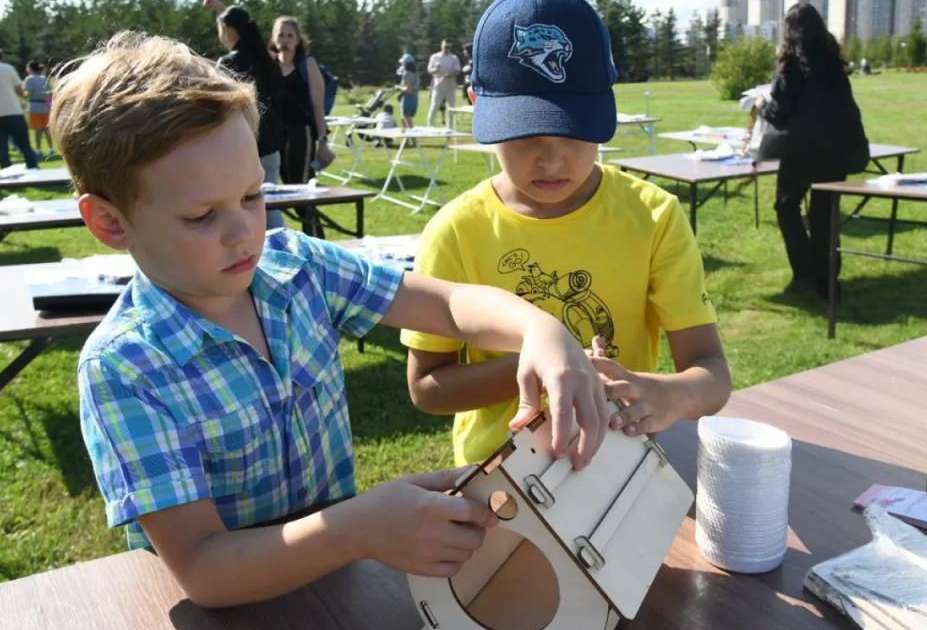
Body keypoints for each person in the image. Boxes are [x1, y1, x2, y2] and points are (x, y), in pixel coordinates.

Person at [52, 32, 609, 605]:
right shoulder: (126, 367)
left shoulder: (297, 268)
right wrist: (359, 526)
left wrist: (539, 328)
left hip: (335, 588)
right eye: (201, 216)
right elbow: (203, 570)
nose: (244, 231)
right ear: (110, 223)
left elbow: (446, 305)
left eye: (251, 196)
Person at [401, 0, 732, 467]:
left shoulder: (653, 217)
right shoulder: (456, 231)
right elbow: (426, 387)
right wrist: (548, 366)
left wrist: (666, 395)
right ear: (477, 103)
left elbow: (711, 374)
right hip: (501, 482)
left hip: (619, 470)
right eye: (525, 135)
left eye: (574, 132)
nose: (552, 161)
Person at [760, 3, 869, 300]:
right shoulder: (833, 63)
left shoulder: (792, 65)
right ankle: (827, 281)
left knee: (786, 207)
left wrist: (762, 106)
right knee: (824, 214)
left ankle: (805, 271)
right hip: (837, 149)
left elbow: (780, 112)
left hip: (803, 150)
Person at [210, 2, 287, 229]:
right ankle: (283, 250)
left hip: (239, 145)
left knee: (245, 208)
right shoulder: (268, 61)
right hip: (271, 144)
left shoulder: (228, 63)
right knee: (269, 205)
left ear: (228, 30)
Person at [270, 16, 334, 236]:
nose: (285, 40)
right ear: (273, 37)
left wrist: (323, 142)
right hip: (275, 137)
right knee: (283, 193)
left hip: (300, 135)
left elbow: (318, 106)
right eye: (281, 34)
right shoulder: (269, 65)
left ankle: (318, 245)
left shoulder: (307, 64)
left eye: (290, 35)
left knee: (301, 192)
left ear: (298, 40)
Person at [427, 40, 460, 128]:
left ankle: (450, 128)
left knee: (451, 108)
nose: (447, 49)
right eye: (445, 47)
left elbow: (457, 70)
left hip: (450, 86)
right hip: (438, 86)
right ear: (441, 46)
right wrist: (436, 69)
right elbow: (430, 70)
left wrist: (450, 74)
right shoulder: (435, 57)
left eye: (448, 47)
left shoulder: (454, 58)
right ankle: (430, 127)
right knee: (434, 106)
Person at [24, 60, 54, 160]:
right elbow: (50, 91)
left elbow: (28, 93)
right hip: (45, 106)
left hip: (34, 106)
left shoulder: (29, 79)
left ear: (30, 69)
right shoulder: (44, 78)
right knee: (47, 130)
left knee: (38, 130)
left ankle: (38, 150)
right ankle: (51, 149)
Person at [396, 54, 419, 129]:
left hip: (408, 98)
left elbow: (408, 89)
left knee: (407, 119)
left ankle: (412, 138)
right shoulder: (415, 73)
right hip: (415, 98)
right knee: (403, 119)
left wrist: (398, 87)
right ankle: (406, 139)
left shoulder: (407, 74)